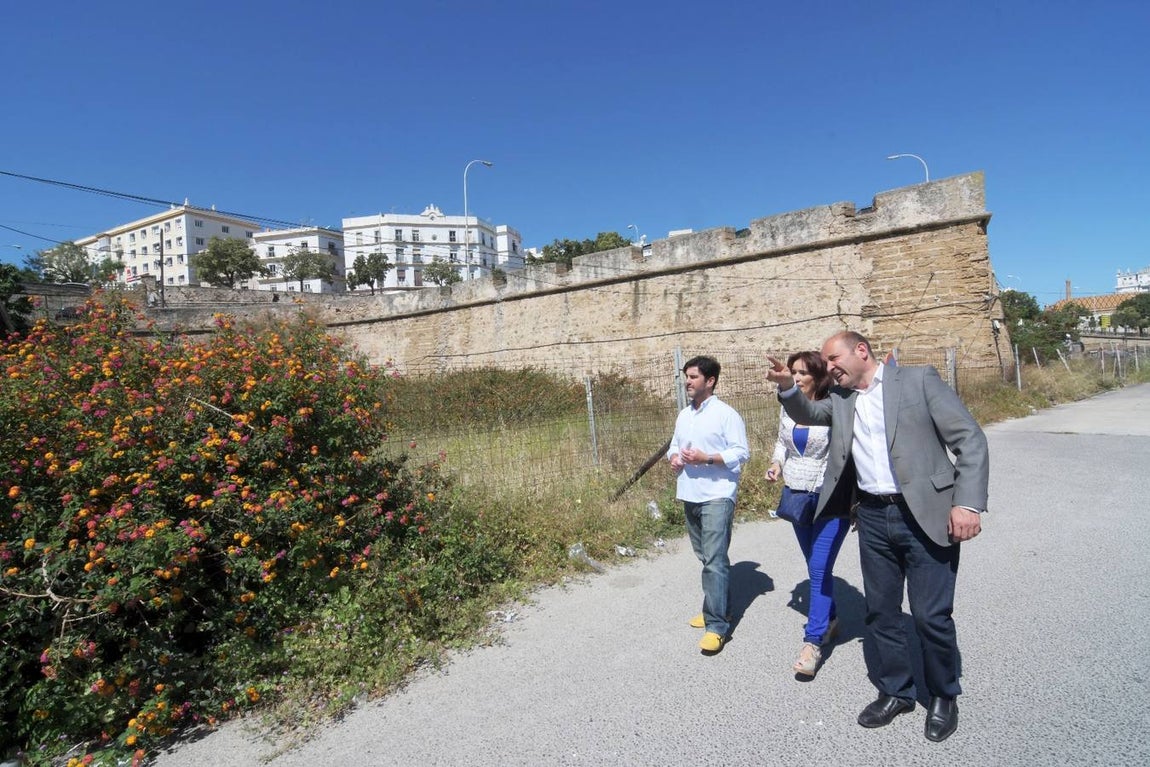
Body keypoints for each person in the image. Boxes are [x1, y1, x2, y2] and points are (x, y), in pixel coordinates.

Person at [766, 331, 988, 743]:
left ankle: (942, 695)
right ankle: (896, 691)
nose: (828, 368)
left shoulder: (919, 380)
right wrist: (786, 388)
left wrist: (968, 504)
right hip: (871, 515)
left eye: (833, 359)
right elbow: (808, 413)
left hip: (925, 513)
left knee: (929, 615)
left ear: (861, 351)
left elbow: (969, 439)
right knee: (881, 613)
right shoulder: (841, 399)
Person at [764, 351, 849, 678]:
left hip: (829, 499)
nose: (796, 378)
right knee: (817, 565)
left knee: (817, 565)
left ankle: (812, 642)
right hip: (798, 495)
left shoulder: (834, 408)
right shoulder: (788, 408)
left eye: (802, 373)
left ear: (817, 377)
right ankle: (831, 618)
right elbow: (782, 443)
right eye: (793, 372)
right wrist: (776, 464)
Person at [667, 355, 749, 654]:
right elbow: (676, 445)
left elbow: (741, 453)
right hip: (689, 492)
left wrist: (708, 458)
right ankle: (719, 606)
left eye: (693, 377)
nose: (687, 382)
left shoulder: (727, 415)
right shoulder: (684, 415)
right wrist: (674, 458)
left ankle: (716, 625)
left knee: (714, 560)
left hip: (717, 493)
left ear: (710, 381)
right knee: (706, 557)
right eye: (686, 377)